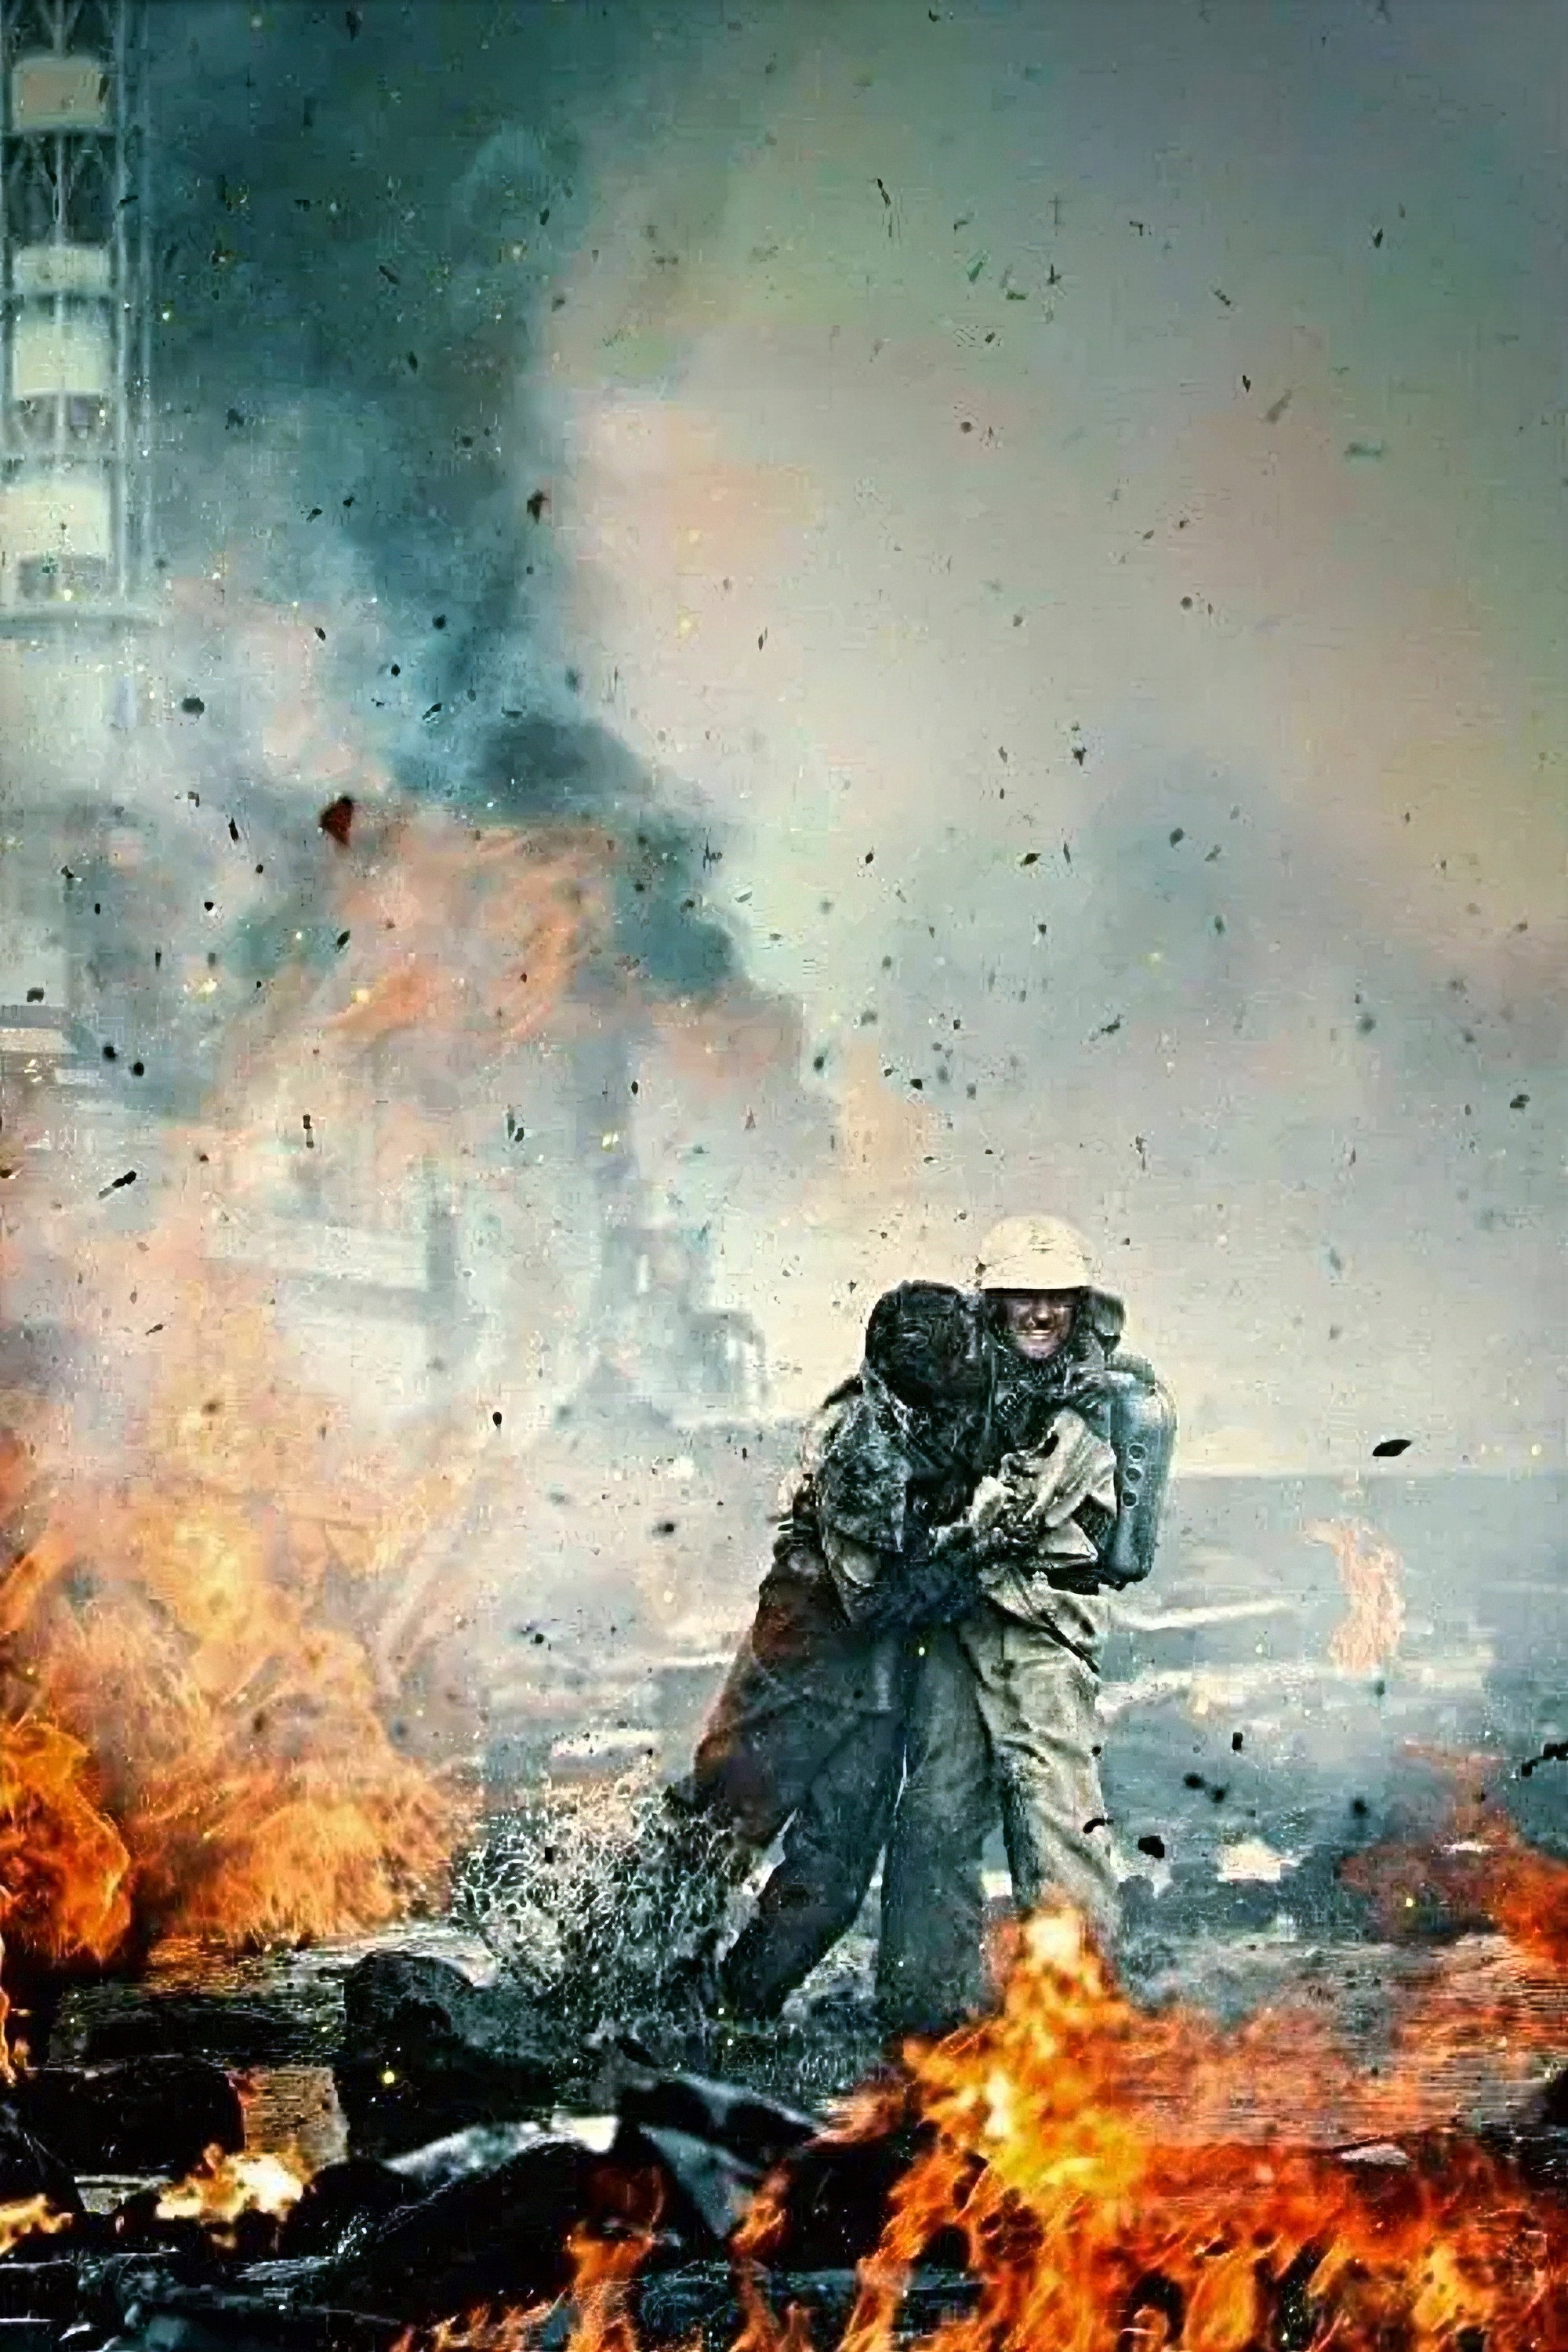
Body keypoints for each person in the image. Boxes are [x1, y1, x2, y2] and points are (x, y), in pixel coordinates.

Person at [876, 1214, 1175, 2038]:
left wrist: (938, 1545)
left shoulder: (1089, 1400)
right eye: (1022, 1296)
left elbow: (1013, 1508)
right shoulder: (961, 1380)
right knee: (936, 1807)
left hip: (1041, 1622)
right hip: (960, 1622)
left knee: (1056, 1810)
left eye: (1057, 1297)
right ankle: (925, 2010)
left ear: (1078, 1305)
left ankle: (1076, 2011)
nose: (1041, 1313)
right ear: (993, 1303)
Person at [670, 1280, 993, 2018]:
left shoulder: (954, 1396)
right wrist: (978, 1557)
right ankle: (622, 1981)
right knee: (716, 1836)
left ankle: (740, 2008)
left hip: (876, 1685)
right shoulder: (861, 1449)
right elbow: (870, 1600)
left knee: (834, 1878)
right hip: (802, 1662)